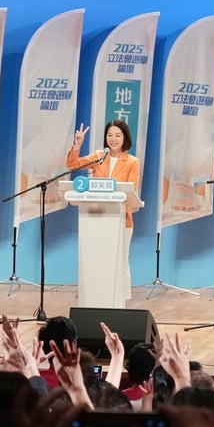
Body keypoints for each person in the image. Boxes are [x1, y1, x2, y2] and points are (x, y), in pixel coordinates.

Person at [67, 119, 140, 301]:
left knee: (121, 259)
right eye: (110, 135)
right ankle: (98, 296)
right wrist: (77, 144)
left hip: (122, 220)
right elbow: (72, 164)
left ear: (125, 138)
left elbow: (131, 190)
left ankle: (122, 299)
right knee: (98, 259)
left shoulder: (132, 161)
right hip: (97, 218)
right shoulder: (99, 156)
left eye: (117, 135)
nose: (113, 139)